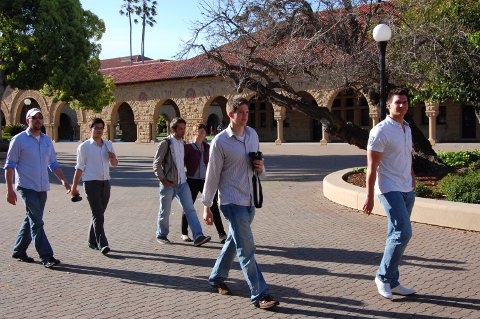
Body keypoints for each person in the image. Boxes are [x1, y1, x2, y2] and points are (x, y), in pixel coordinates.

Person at [202, 96, 279, 310]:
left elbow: (259, 166)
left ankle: (216, 277)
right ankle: (260, 294)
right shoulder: (220, 141)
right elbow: (212, 175)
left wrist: (261, 168)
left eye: (247, 112)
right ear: (230, 114)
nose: (245, 116)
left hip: (249, 199)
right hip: (230, 201)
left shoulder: (253, 135)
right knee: (247, 248)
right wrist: (206, 205)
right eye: (241, 112)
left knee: (235, 242)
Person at [362, 88, 417, 299]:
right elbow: (371, 167)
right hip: (388, 188)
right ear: (388, 105)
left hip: (406, 188)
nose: (401, 105)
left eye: (404, 102)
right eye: (397, 102)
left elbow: (407, 156)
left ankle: (393, 281)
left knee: (394, 234)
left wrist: (412, 176)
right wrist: (369, 196)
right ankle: (383, 277)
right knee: (403, 232)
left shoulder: (407, 128)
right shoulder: (380, 131)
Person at [4, 108, 71, 268]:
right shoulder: (18, 140)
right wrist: (10, 190)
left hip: (42, 188)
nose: (38, 120)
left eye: (40, 117)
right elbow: (9, 166)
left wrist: (64, 180)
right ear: (28, 120)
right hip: (26, 187)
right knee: (37, 222)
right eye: (34, 118)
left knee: (31, 219)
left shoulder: (47, 140)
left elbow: (53, 164)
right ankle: (47, 256)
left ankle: (19, 250)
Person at [153, 117, 211, 247]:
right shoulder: (165, 143)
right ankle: (161, 235)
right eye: (180, 129)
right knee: (165, 211)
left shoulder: (182, 144)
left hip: (182, 184)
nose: (183, 131)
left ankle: (198, 236)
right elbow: (156, 164)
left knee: (190, 209)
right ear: (173, 129)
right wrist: (163, 179)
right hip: (168, 184)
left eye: (184, 128)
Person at [70, 118, 118, 255]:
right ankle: (102, 243)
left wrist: (113, 158)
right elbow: (79, 168)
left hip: (105, 183)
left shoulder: (108, 144)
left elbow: (115, 164)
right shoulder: (84, 147)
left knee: (99, 214)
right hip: (91, 183)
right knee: (98, 215)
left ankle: (91, 240)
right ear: (90, 129)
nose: (99, 131)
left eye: (101, 128)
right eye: (96, 128)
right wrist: (74, 188)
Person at [181, 123, 227, 243]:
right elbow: (181, 162)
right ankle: (184, 233)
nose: (200, 132)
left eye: (202, 130)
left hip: (206, 181)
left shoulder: (207, 147)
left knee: (214, 206)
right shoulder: (189, 147)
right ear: (194, 132)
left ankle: (222, 234)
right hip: (192, 180)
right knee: (188, 206)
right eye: (198, 130)